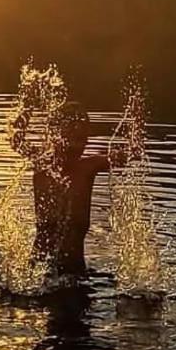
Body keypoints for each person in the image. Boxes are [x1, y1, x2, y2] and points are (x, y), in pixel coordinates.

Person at [19, 101, 115, 279]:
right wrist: (28, 106)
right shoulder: (42, 163)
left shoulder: (88, 167)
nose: (77, 147)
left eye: (82, 139)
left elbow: (133, 152)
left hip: (75, 272)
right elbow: (16, 139)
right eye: (72, 138)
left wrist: (136, 113)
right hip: (38, 270)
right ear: (55, 135)